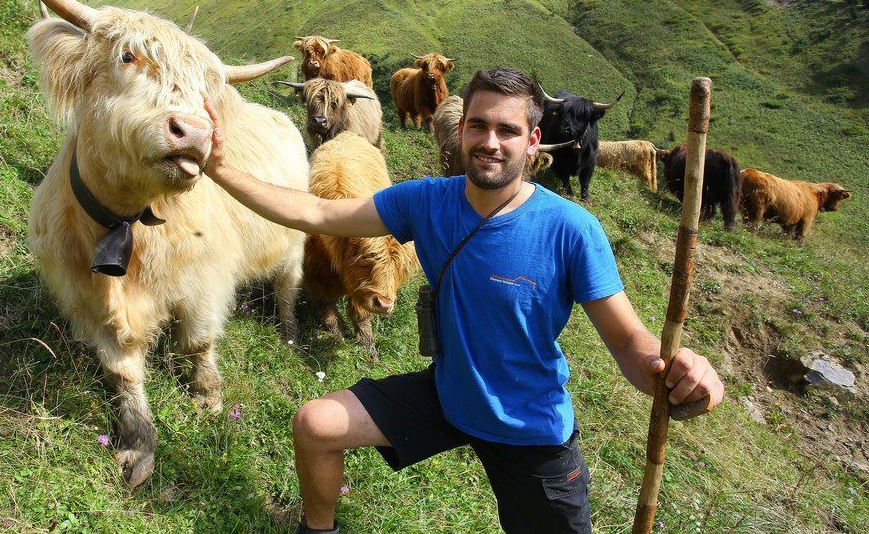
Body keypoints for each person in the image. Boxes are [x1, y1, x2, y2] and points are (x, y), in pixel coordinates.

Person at [202, 68, 724, 534]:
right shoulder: (426, 201)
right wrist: (221, 169)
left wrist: (675, 374)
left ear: (533, 140)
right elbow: (315, 213)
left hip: (530, 428)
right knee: (316, 425)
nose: (490, 142)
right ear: (460, 128)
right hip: (449, 396)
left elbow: (628, 339)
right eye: (479, 125)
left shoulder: (571, 229)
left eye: (508, 130)